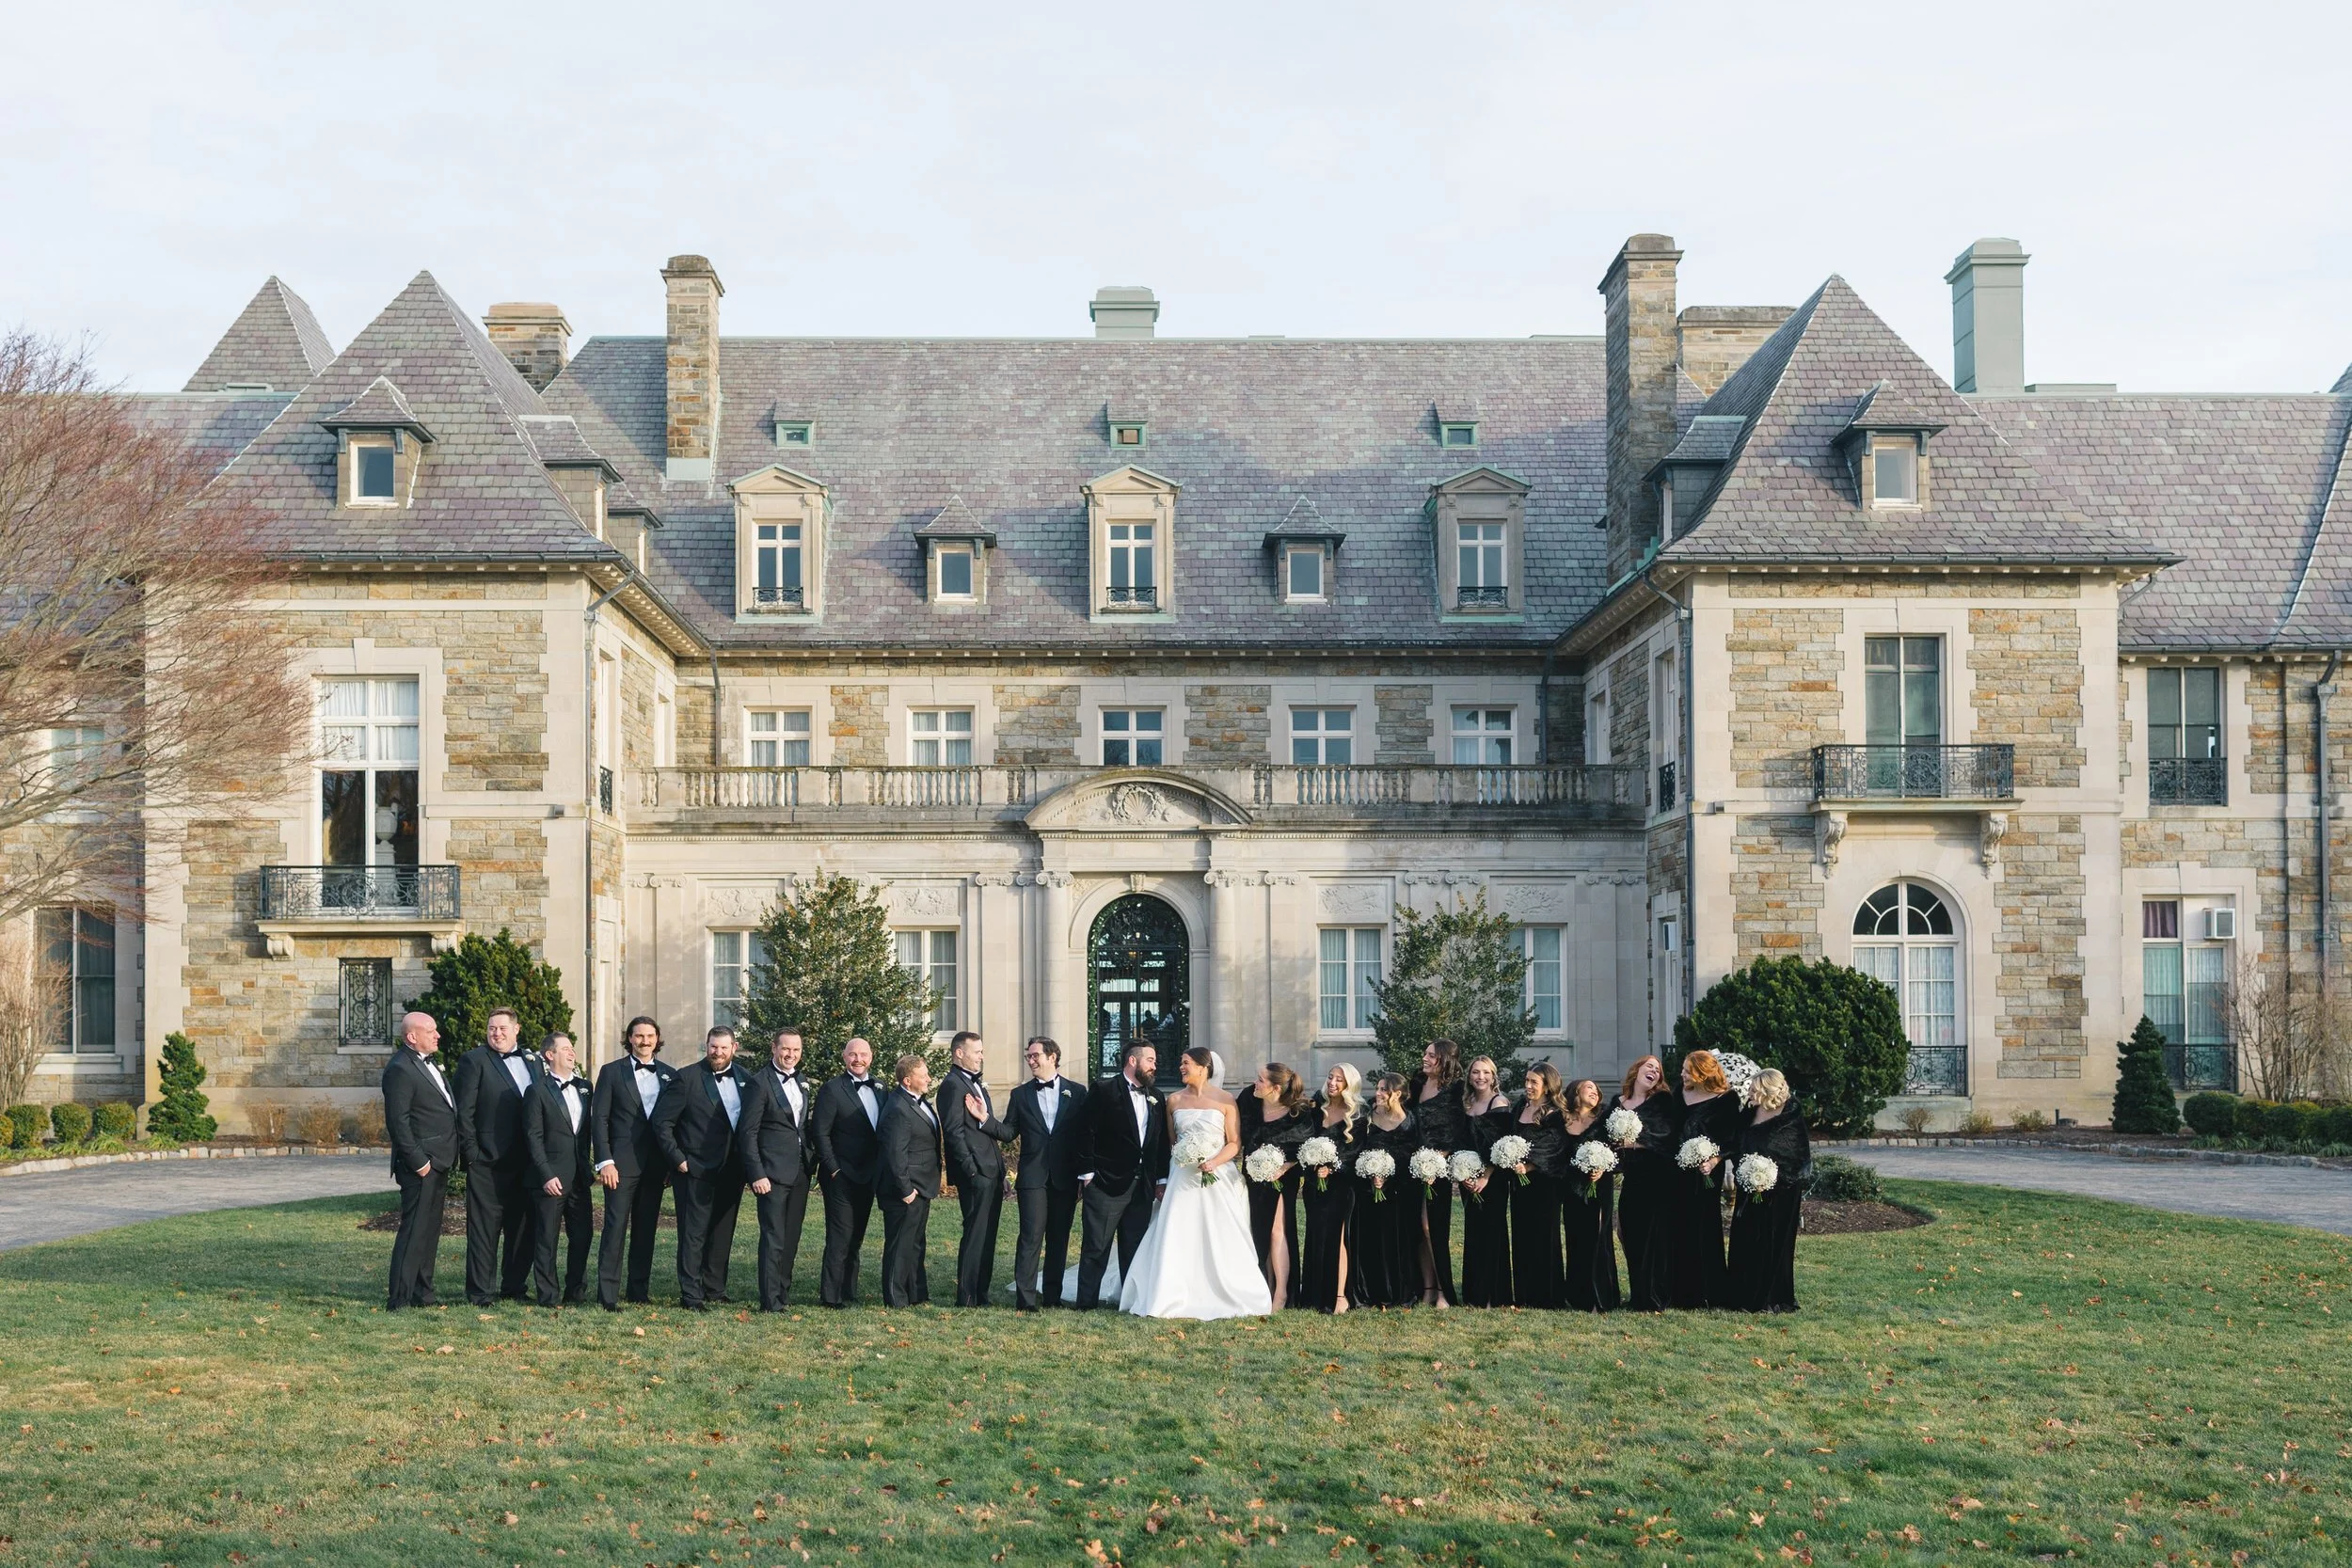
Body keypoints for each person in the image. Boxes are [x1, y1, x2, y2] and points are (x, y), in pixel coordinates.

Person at [1115, 1047, 1273, 1319]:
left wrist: (1213, 1162)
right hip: (1182, 1177)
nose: (1181, 1067)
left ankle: (1227, 1289)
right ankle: (1170, 1291)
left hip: (1216, 1176)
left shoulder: (1225, 1100)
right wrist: (1185, 1158)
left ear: (1203, 1067)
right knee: (1177, 1231)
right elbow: (1172, 1141)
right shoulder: (1173, 1100)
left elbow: (1235, 1143)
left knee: (1220, 1233)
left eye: (1185, 1063)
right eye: (1181, 1063)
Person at [652, 1025, 752, 1310]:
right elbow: (662, 1123)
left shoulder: (746, 1079)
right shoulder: (686, 1078)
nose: (717, 1053)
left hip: (732, 1170)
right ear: (705, 1046)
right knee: (693, 1234)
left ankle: (714, 1288)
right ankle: (691, 1295)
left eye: (723, 1047)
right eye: (712, 1047)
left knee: (722, 1231)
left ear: (734, 1047)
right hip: (694, 1170)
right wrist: (678, 1159)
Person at [453, 1006, 541, 1306]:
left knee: (522, 1229)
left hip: (527, 1162)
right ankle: (480, 1292)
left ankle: (514, 1287)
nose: (497, 1033)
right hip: (487, 1163)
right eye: (492, 1028)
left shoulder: (533, 1061)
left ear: (517, 1030)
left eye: (503, 1028)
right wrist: (472, 1154)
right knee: (483, 1230)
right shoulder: (474, 1060)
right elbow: (463, 1112)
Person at [1073, 1040, 1168, 1309]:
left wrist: (1160, 1180)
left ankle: (1130, 1302)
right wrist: (1088, 1174)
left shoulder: (1157, 1097)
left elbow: (1159, 1142)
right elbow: (1085, 1132)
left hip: (1142, 1186)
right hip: (1105, 1183)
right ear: (1132, 1061)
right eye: (1150, 1060)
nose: (1154, 1065)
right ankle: (1086, 1303)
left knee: (1134, 1248)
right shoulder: (1103, 1090)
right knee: (1096, 1247)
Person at [591, 1016, 676, 1310]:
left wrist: (669, 1164)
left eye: (650, 1036)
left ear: (657, 1038)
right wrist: (605, 1161)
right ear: (629, 1038)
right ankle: (608, 1296)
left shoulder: (669, 1075)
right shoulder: (611, 1072)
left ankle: (638, 1290)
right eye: (639, 1036)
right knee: (615, 1229)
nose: (645, 1041)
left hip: (655, 1166)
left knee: (646, 1229)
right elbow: (599, 1119)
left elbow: (673, 1124)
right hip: (620, 1165)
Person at [381, 1010, 458, 1310]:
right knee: (414, 1231)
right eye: (431, 1031)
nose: (437, 1035)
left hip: (439, 1161)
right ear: (412, 1037)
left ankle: (422, 1293)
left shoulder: (428, 1064)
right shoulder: (400, 1068)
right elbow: (398, 1122)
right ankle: (399, 1297)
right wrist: (419, 1162)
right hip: (421, 1165)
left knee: (428, 1231)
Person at [737, 1025, 817, 1312]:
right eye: (785, 1049)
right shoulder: (760, 1083)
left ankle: (783, 1292)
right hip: (770, 1173)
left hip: (799, 1171)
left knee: (791, 1236)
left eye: (796, 1050)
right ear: (774, 1048)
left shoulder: (803, 1080)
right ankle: (770, 1300)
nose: (790, 1055)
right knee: (774, 1237)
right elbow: (747, 1132)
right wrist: (756, 1173)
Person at [1007, 1037, 1087, 1311]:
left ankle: (1052, 1297)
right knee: (1030, 1237)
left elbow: (1084, 1137)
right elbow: (1008, 1132)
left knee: (1058, 1238)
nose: (1030, 1060)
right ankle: (1025, 1299)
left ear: (1052, 1057)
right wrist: (984, 1119)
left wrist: (1084, 1174)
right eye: (1027, 1056)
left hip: (1065, 1178)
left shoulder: (1077, 1092)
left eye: (1035, 1055)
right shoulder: (1020, 1095)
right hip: (1032, 1177)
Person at [937, 1029, 1015, 1307]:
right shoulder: (952, 1085)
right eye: (977, 1051)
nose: (982, 1056)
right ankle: (968, 1296)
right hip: (976, 1175)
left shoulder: (975, 1084)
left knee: (987, 1235)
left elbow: (988, 1131)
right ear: (960, 1053)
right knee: (974, 1235)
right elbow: (954, 1133)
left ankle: (981, 1293)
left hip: (991, 1172)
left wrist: (1001, 1171)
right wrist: (971, 1170)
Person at [1724, 1069, 1810, 1313]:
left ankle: (1772, 1297)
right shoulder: (1749, 1113)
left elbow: (1797, 1155)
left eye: (1754, 1088)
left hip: (1782, 1191)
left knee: (1773, 1241)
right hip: (1749, 1186)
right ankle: (1742, 1295)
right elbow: (1735, 1142)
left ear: (1767, 1089)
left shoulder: (1791, 1114)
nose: (1750, 1092)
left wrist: (1772, 1175)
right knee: (1746, 1239)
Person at [523, 1033, 596, 1307]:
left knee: (583, 1236)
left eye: (572, 1048)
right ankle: (548, 1295)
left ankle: (576, 1292)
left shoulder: (586, 1087)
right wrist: (545, 1174)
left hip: (579, 1177)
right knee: (546, 1239)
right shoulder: (537, 1090)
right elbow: (533, 1136)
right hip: (550, 1178)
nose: (571, 1052)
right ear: (549, 1055)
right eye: (565, 1048)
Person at [810, 1037, 883, 1307]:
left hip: (869, 1175)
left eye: (863, 1054)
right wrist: (833, 1168)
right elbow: (820, 1132)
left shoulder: (880, 1087)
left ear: (871, 1057)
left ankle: (848, 1289)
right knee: (839, 1236)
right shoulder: (832, 1089)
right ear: (844, 1057)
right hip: (840, 1175)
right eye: (853, 1054)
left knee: (857, 1236)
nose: (858, 1059)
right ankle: (830, 1296)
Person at [1667, 1049, 1741, 1310]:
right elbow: (1671, 1129)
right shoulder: (1679, 1093)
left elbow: (1732, 1138)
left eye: (1687, 1070)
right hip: (1677, 1169)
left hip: (1707, 1170)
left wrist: (1714, 1159)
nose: (1682, 1074)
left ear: (1702, 1073)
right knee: (1679, 1225)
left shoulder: (1727, 1099)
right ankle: (1680, 1291)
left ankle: (1710, 1290)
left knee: (1704, 1225)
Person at [1608, 1054, 1679, 1312]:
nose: (1654, 1071)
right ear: (1636, 1069)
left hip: (1658, 1178)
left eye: (1658, 1070)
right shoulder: (1618, 1103)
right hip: (1633, 1178)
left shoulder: (1661, 1101)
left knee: (1654, 1238)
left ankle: (1655, 1296)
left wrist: (1635, 1142)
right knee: (1628, 1232)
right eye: (1649, 1066)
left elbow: (1667, 1136)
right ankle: (1639, 1293)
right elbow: (1605, 1133)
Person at [1347, 1071, 1422, 1308]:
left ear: (1397, 1094)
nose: (1377, 1093)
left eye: (1383, 1090)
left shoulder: (1412, 1119)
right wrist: (1372, 1175)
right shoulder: (1367, 1118)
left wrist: (1391, 1177)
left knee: (1399, 1239)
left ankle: (1401, 1291)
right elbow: (1358, 1150)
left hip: (1402, 1190)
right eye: (1378, 1089)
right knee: (1371, 1239)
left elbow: (1414, 1153)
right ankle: (1371, 1291)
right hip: (1369, 1190)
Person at [1240, 1062, 1311, 1307]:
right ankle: (1265, 1287)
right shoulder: (1248, 1099)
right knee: (1259, 1231)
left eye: (1261, 1080)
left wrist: (1282, 1168)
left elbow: (1305, 1149)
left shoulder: (1299, 1112)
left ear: (1276, 1088)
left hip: (1283, 1178)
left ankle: (1282, 1292)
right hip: (1253, 1176)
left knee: (1276, 1231)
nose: (1255, 1083)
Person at [877, 1054, 944, 1307]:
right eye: (923, 1075)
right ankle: (896, 1298)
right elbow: (895, 1153)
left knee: (916, 1243)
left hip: (922, 1186)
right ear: (907, 1081)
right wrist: (906, 1190)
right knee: (899, 1245)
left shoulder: (917, 1102)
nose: (928, 1078)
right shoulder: (897, 1109)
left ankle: (916, 1293)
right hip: (906, 1190)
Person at [1297, 1063, 1362, 1314]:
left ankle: (1339, 1296)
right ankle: (1314, 1294)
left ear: (1349, 1085)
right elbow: (1304, 1142)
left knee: (1337, 1238)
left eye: (1339, 1080)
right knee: (1315, 1235)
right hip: (1315, 1185)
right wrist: (1313, 1166)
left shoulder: (1357, 1114)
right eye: (1331, 1077)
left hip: (1341, 1186)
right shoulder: (1316, 1109)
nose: (1333, 1083)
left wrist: (1333, 1168)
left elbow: (1355, 1153)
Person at [1503, 1062, 1569, 1309]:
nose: (1528, 1086)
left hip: (1544, 1185)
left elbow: (1554, 1148)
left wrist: (1528, 1166)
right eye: (1527, 1081)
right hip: (1520, 1186)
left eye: (1534, 1082)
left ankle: (1547, 1295)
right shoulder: (1520, 1107)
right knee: (1521, 1236)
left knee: (1544, 1236)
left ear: (1547, 1086)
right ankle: (1524, 1293)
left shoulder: (1555, 1114)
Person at [1406, 1038, 1467, 1309]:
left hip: (1438, 1167)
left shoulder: (1457, 1090)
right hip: (1413, 1164)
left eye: (1431, 1055)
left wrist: (1437, 1159)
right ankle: (1427, 1289)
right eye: (1425, 1053)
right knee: (1418, 1228)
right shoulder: (1417, 1083)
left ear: (1444, 1059)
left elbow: (1460, 1130)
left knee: (1433, 1228)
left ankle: (1444, 1290)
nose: (1425, 1058)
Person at [1454, 1055, 1514, 1308]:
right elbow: (1462, 1143)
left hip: (1493, 1179)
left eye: (1486, 1073)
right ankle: (1474, 1294)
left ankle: (1493, 1295)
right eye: (1476, 1072)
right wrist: (1464, 1175)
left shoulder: (1498, 1103)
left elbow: (1501, 1146)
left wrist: (1485, 1176)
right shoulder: (1465, 1104)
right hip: (1469, 1178)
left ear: (1493, 1076)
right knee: (1473, 1233)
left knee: (1493, 1232)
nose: (1481, 1077)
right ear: (1469, 1076)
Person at [1559, 1077, 1622, 1313]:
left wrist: (1603, 1167)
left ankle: (1602, 1297)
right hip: (1572, 1187)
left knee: (1598, 1237)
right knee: (1576, 1237)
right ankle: (1578, 1296)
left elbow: (1617, 1151)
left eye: (1596, 1089)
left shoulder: (1605, 1119)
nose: (1595, 1092)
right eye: (1589, 1088)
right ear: (1575, 1092)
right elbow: (1558, 1153)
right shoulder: (1562, 1120)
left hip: (1600, 1184)